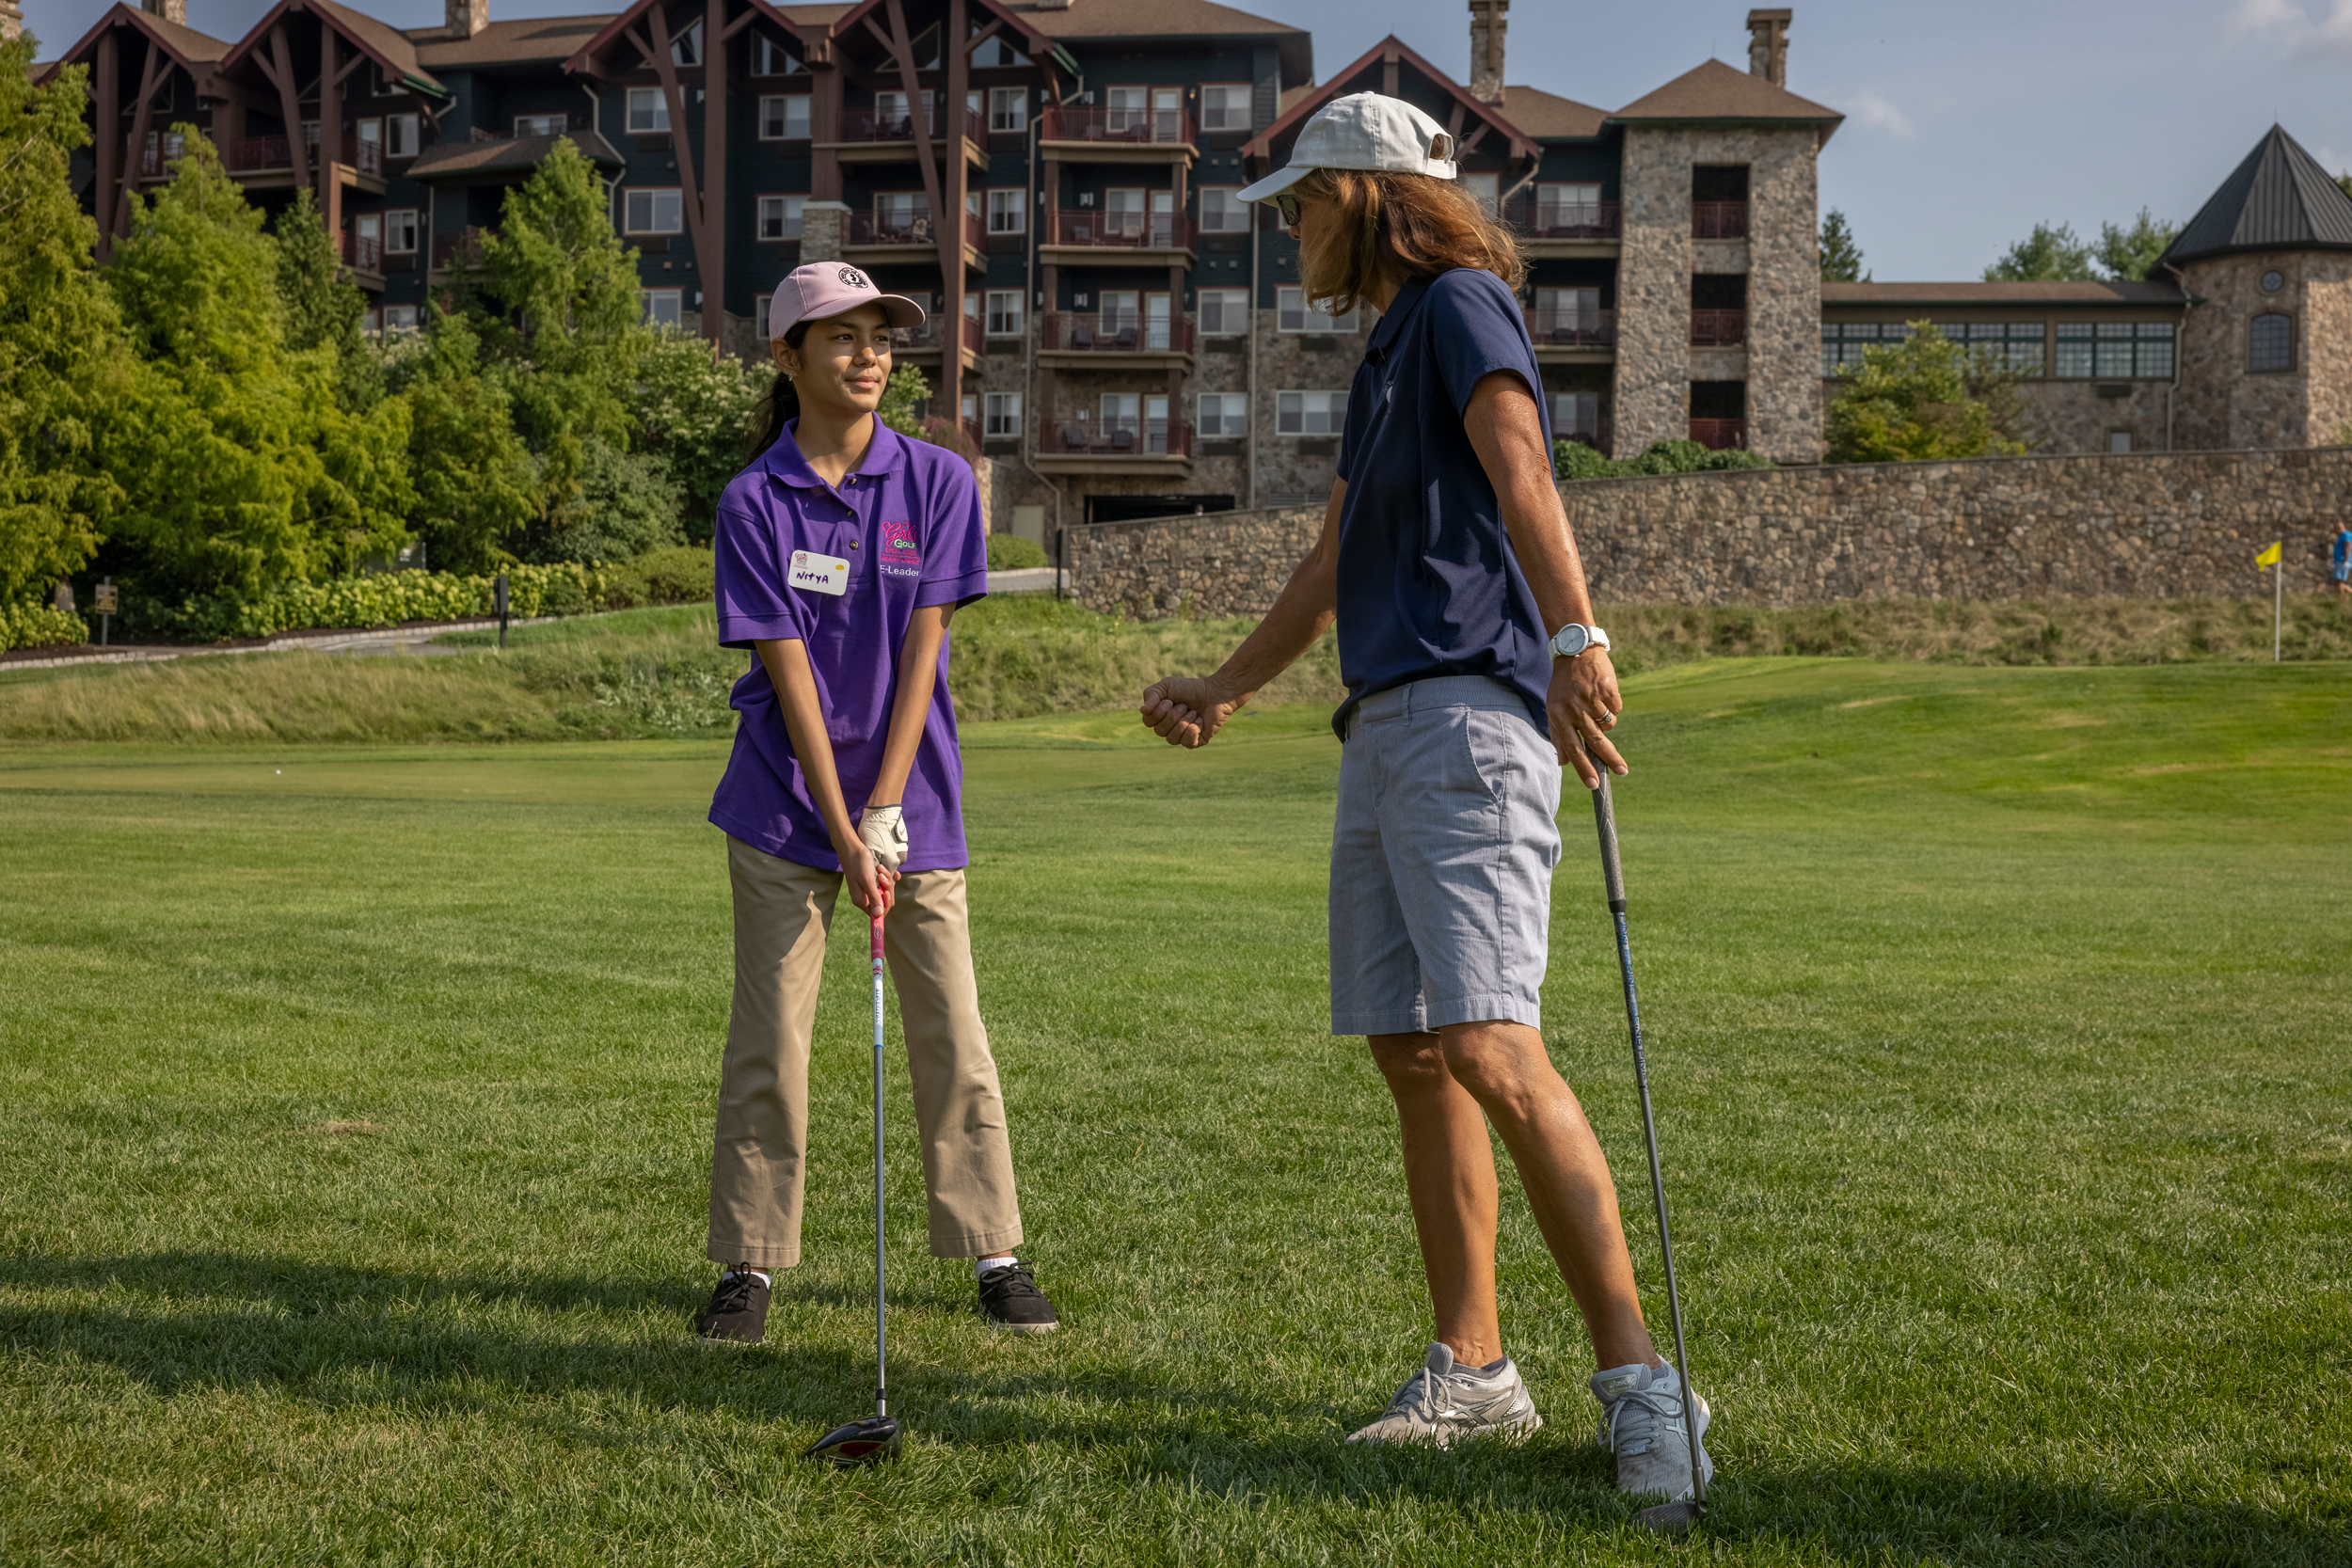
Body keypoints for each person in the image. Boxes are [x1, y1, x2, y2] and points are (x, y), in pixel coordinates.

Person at [1136, 94, 1711, 1500]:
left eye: (1301, 202)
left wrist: (1577, 636)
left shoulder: (1459, 305)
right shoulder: (1383, 352)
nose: (1290, 227)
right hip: (1382, 720)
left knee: (1491, 1041)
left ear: (1372, 196)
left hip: (1467, 712)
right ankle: (1476, 1370)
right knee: (1412, 1048)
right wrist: (1224, 685)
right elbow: (1334, 557)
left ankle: (1645, 1384)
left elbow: (1521, 463)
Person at [694, 261, 1057, 1344]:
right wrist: (841, 826)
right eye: (841, 337)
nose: (869, 355)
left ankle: (995, 1251)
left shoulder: (941, 482)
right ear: (787, 357)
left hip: (916, 807)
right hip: (781, 806)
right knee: (771, 1039)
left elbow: (923, 651)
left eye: (881, 337)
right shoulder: (753, 501)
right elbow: (788, 670)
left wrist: (886, 810)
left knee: (953, 1029)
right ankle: (748, 1266)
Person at [2332, 523, 2350, 595]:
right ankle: (2340, 600)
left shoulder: (2346, 535)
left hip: (2342, 561)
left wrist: (2346, 561)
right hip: (2339, 561)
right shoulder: (2341, 536)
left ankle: (2340, 600)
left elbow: (2347, 547)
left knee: (2340, 581)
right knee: (2338, 582)